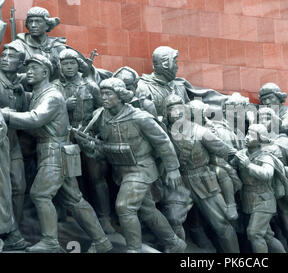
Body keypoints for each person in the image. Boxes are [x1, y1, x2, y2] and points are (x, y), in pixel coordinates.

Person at [0, 55, 111, 253]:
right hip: (57, 152)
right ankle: (101, 241)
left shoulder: (52, 95)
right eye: (29, 68)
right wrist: (21, 95)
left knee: (40, 194)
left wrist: (5, 114)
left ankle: (50, 242)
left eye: (35, 68)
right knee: (74, 200)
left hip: (54, 152)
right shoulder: (39, 93)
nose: (29, 72)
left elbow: (35, 118)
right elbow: (32, 103)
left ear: (46, 72)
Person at [76, 78, 186, 253]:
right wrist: (90, 147)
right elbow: (97, 143)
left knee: (125, 207)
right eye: (102, 93)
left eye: (108, 94)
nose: (103, 97)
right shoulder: (100, 116)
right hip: (121, 171)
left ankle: (134, 250)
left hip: (141, 168)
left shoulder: (140, 117)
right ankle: (174, 243)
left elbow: (163, 142)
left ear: (120, 96)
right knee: (147, 210)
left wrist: (172, 169)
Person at [164, 94, 240, 253]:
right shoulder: (165, 134)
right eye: (171, 109)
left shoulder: (201, 132)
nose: (176, 112)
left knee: (222, 225)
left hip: (204, 181)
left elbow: (226, 151)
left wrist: (243, 161)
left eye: (179, 108)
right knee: (173, 220)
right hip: (180, 182)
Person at [53, 48, 116, 234]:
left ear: (78, 65)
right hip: (66, 139)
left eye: (72, 63)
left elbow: (103, 110)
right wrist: (64, 106)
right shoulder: (54, 87)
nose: (69, 67)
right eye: (65, 64)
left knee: (97, 178)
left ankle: (104, 218)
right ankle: (73, 217)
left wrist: (98, 135)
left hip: (89, 139)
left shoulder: (90, 86)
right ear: (60, 66)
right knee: (71, 179)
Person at [258, 107, 288, 253]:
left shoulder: (284, 142)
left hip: (287, 195)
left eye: (266, 118)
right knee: (271, 232)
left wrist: (278, 171)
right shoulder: (258, 144)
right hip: (266, 195)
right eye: (259, 118)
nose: (262, 121)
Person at [235, 124, 286, 253]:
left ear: (260, 140)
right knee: (267, 236)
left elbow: (267, 174)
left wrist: (248, 164)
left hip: (264, 200)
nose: (247, 138)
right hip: (248, 199)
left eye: (251, 136)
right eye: (247, 134)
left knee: (254, 234)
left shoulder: (265, 156)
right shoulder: (242, 154)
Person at [0, 44, 30, 229]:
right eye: (3, 55)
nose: (4, 58)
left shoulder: (18, 86)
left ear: (20, 64)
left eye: (11, 57)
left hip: (13, 142)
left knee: (19, 185)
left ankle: (15, 229)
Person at [7, 7, 66, 80]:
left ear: (47, 25)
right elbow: (8, 75)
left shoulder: (58, 47)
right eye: (30, 21)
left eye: (38, 21)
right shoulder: (17, 47)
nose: (33, 25)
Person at [136, 46, 190, 117]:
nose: (177, 67)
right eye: (175, 62)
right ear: (165, 64)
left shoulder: (180, 87)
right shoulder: (143, 87)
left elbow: (188, 114)